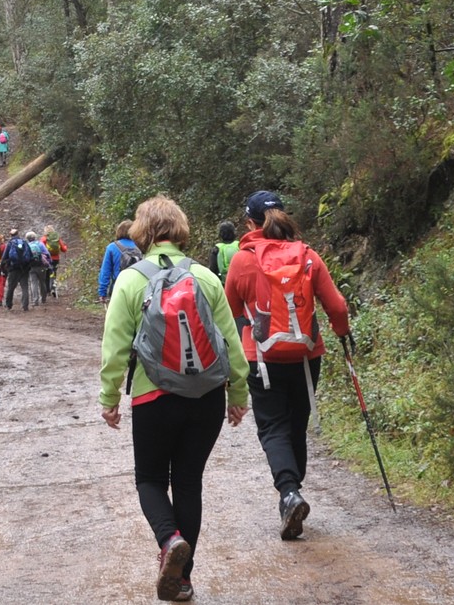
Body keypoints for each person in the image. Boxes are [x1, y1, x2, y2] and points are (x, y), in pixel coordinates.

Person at [100, 195, 248, 602]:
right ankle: (182, 579)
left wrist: (110, 396)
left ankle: (169, 541)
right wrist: (238, 393)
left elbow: (114, 346)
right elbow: (231, 343)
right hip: (206, 398)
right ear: (180, 229)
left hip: (154, 397)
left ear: (142, 232)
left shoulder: (131, 280)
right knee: (188, 482)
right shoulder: (206, 277)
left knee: (149, 479)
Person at [222, 190, 351, 541]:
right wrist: (343, 333)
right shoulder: (308, 256)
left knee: (273, 427)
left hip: (262, 358)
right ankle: (293, 489)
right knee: (296, 423)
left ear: (249, 223)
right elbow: (337, 307)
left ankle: (289, 492)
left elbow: (229, 310)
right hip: (306, 357)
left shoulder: (242, 260)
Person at [97, 220, 139, 301]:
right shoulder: (140, 246)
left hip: (118, 289)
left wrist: (102, 292)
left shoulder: (112, 247)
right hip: (137, 289)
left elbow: (105, 271)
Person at [4, 226, 35, 311]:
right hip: (24, 269)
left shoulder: (10, 243)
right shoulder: (24, 242)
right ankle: (25, 306)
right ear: (18, 234)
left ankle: (9, 305)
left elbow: (5, 256)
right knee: (25, 287)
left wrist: (5, 266)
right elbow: (31, 256)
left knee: (11, 287)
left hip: (13, 268)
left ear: (11, 235)